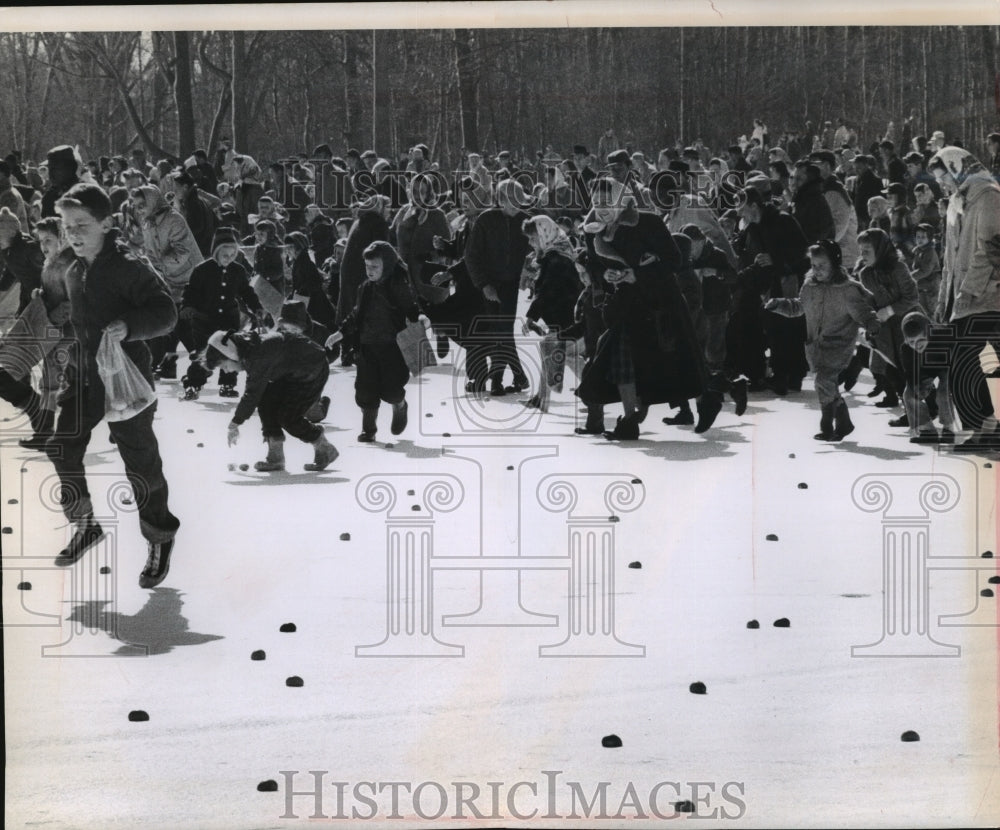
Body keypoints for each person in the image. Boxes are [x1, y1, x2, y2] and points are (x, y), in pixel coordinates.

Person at [49, 183, 180, 587]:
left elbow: (166, 312)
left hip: (125, 378)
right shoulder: (70, 266)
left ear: (107, 223)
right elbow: (66, 315)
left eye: (82, 224)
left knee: (140, 463)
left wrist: (131, 326)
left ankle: (159, 536)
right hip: (85, 376)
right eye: (67, 225)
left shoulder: (128, 266)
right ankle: (85, 524)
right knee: (62, 444)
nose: (73, 233)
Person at [575, 177, 714, 439]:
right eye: (596, 202)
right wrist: (608, 276)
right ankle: (629, 421)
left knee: (680, 362)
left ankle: (712, 395)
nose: (601, 207)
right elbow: (593, 263)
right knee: (620, 357)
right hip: (626, 303)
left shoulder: (647, 222)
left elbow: (674, 260)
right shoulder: (593, 229)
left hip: (660, 300)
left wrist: (637, 274)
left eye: (607, 201)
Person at [766, 239, 880, 441]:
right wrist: (779, 304)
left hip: (839, 343)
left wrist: (872, 325)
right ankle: (836, 424)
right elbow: (798, 307)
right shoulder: (810, 286)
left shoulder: (846, 289)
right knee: (823, 384)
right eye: (813, 265)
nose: (817, 270)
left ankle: (834, 423)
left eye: (822, 265)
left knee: (824, 380)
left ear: (835, 263)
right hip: (815, 345)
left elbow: (864, 312)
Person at [204, 302, 338, 472]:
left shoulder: (258, 355)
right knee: (266, 402)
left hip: (312, 371)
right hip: (291, 373)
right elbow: (256, 392)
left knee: (288, 417)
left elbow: (251, 393)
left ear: (229, 354)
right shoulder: (250, 350)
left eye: (224, 366)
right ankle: (275, 457)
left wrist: (235, 423)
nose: (226, 371)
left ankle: (324, 447)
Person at [928, 146, 1000, 452]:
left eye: (944, 177)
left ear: (957, 168)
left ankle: (983, 428)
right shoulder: (958, 202)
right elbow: (950, 258)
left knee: (973, 365)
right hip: (964, 300)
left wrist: (968, 291)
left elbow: (992, 249)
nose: (942, 185)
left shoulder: (988, 196)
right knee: (968, 366)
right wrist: (944, 299)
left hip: (988, 297)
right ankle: (981, 428)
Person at [326, 241, 420, 442]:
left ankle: (400, 405)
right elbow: (355, 313)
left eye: (375, 267)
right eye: (367, 266)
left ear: (387, 265)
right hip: (367, 346)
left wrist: (420, 319)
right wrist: (340, 332)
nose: (370, 271)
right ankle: (369, 429)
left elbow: (412, 309)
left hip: (393, 349)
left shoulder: (397, 286)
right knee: (365, 390)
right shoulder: (365, 287)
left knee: (392, 390)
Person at [732, 186, 811, 395]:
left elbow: (804, 254)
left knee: (789, 328)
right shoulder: (753, 227)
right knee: (773, 328)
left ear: (754, 205)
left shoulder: (783, 220)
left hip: (788, 282)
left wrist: (777, 261)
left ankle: (791, 376)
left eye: (742, 207)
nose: (739, 213)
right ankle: (780, 374)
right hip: (767, 284)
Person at [463, 178, 532, 395]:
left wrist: (531, 271)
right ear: (500, 200)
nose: (517, 208)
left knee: (503, 332)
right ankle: (511, 378)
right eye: (512, 203)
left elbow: (534, 251)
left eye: (520, 203)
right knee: (499, 333)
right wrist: (484, 284)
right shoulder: (486, 219)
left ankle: (501, 380)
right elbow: (471, 255)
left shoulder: (525, 220)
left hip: (510, 284)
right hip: (489, 284)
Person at [178, 226, 262, 400]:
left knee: (231, 351)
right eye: (225, 255)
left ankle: (227, 383)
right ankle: (193, 384)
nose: (229, 258)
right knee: (203, 352)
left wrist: (257, 307)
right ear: (216, 252)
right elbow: (191, 291)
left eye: (233, 255)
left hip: (229, 320)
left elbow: (246, 291)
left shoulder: (238, 270)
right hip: (204, 320)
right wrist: (188, 306)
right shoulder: (202, 270)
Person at [130, 183, 204, 379]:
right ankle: (173, 360)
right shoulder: (147, 223)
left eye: (142, 204)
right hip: (168, 277)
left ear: (153, 202)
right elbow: (150, 252)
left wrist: (161, 265)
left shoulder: (174, 220)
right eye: (136, 205)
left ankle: (196, 356)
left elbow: (183, 251)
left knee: (178, 318)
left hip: (189, 276)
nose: (139, 210)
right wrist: (152, 268)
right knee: (171, 317)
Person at [518, 215, 582, 412]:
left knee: (568, 356)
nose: (530, 243)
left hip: (565, 318)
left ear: (543, 234)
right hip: (561, 317)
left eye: (532, 238)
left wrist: (531, 317)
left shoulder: (556, 259)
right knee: (554, 354)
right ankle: (541, 399)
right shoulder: (554, 255)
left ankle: (596, 393)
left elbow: (546, 291)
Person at [856, 228, 922, 418]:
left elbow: (912, 296)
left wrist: (891, 309)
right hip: (886, 330)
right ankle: (908, 410)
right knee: (891, 370)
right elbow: (868, 303)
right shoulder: (865, 274)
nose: (863, 255)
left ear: (881, 248)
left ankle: (922, 408)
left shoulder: (898, 268)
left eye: (867, 250)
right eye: (861, 251)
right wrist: (869, 322)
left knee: (910, 369)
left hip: (907, 325)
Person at [338, 194, 390, 367]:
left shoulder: (359, 222)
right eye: (387, 208)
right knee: (365, 308)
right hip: (364, 272)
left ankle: (346, 350)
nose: (390, 212)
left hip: (349, 273)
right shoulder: (378, 223)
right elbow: (382, 250)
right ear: (380, 208)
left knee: (350, 308)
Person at [900, 310, 957, 444]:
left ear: (928, 334)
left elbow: (956, 361)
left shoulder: (945, 337)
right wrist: (919, 384)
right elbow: (909, 373)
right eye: (912, 342)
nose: (916, 345)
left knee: (943, 393)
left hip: (947, 366)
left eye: (921, 340)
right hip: (925, 371)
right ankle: (925, 428)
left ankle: (948, 427)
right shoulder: (906, 350)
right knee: (909, 394)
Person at [284, 231, 336, 334]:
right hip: (307, 301)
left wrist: (299, 292)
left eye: (290, 247)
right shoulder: (298, 262)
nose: (287, 250)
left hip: (314, 304)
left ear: (299, 247)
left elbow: (315, 282)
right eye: (286, 247)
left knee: (319, 331)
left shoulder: (305, 263)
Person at [173, 170, 217, 257]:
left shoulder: (193, 203)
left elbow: (197, 226)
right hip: (206, 248)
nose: (174, 191)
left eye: (176, 188)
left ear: (185, 187)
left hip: (200, 250)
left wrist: (181, 238)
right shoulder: (197, 199)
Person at [909, 223, 942, 319]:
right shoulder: (918, 251)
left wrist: (910, 277)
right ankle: (926, 327)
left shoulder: (930, 252)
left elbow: (925, 270)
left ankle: (937, 328)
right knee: (923, 310)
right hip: (922, 286)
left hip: (932, 285)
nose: (920, 239)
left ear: (930, 238)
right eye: (918, 237)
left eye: (923, 237)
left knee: (933, 310)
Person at [41, 145, 81, 219]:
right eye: (49, 169)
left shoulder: (85, 194)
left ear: (72, 168)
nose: (50, 174)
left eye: (55, 169)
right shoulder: (49, 197)